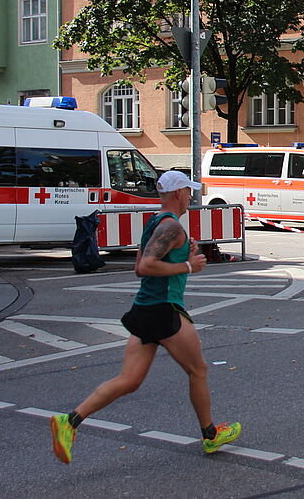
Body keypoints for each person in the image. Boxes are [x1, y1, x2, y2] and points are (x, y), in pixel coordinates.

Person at [49, 171, 242, 464]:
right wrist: (189, 266)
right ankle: (210, 434)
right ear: (178, 194)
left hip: (145, 309)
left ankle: (69, 421)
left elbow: (141, 262)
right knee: (198, 370)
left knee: (129, 380)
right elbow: (145, 266)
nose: (190, 196)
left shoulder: (155, 222)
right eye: (187, 192)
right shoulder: (171, 227)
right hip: (165, 309)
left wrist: (182, 254)